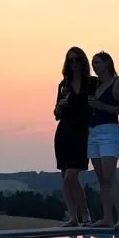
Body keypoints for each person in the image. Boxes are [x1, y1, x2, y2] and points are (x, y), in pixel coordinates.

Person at [87, 51, 119, 229]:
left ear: (107, 63)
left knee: (109, 175)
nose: (94, 66)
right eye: (92, 63)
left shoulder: (117, 83)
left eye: (97, 62)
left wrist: (102, 106)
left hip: (109, 132)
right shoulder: (95, 84)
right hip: (93, 132)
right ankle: (107, 218)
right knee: (101, 178)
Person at [53, 47, 95, 226]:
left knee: (71, 176)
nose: (74, 64)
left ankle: (85, 212)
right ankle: (73, 217)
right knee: (65, 177)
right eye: (70, 61)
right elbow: (57, 114)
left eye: (77, 60)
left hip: (82, 134)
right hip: (64, 133)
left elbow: (95, 108)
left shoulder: (93, 83)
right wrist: (60, 105)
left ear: (83, 61)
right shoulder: (63, 85)